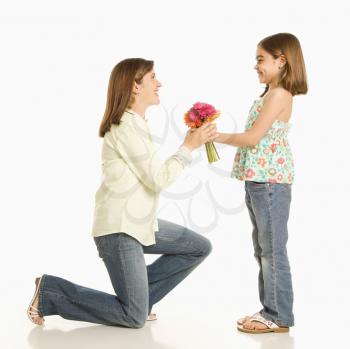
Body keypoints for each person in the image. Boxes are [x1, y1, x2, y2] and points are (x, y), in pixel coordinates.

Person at [27, 58, 218, 328]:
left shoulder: (136, 124)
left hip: (138, 222)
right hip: (119, 228)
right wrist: (187, 147)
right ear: (135, 86)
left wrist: (190, 145)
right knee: (133, 317)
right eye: (153, 77)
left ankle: (141, 297)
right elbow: (158, 179)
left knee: (198, 248)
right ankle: (51, 293)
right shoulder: (125, 126)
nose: (159, 83)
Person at [214, 33, 308, 333]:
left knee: (272, 250)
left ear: (281, 61)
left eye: (260, 59)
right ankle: (271, 308)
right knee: (263, 248)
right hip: (259, 181)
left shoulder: (280, 95)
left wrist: (217, 136)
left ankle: (278, 316)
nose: (256, 65)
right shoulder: (269, 93)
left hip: (270, 182)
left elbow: (253, 138)